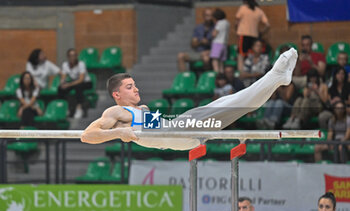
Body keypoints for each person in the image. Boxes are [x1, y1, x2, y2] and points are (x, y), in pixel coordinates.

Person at [81, 48, 298, 150]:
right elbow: (87, 136)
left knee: (232, 103)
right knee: (233, 104)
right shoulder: (116, 112)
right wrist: (119, 132)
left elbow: (161, 130)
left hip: (180, 132)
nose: (136, 89)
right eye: (129, 87)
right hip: (178, 134)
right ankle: (275, 76)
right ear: (116, 95)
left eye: (135, 84)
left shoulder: (143, 109)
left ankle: (276, 79)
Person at [58, 48, 92, 119]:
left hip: (86, 82)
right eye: (71, 55)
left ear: (76, 56)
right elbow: (63, 77)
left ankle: (79, 108)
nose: (72, 57)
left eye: (74, 55)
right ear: (68, 57)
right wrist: (62, 83)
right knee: (60, 88)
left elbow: (81, 79)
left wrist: (68, 85)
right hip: (74, 82)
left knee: (78, 87)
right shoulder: (65, 65)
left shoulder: (81, 64)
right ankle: (65, 108)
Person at [210, 8, 230, 73]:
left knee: (215, 60)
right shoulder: (227, 23)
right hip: (224, 44)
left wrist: (212, 33)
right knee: (221, 62)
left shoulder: (219, 23)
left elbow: (214, 34)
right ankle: (222, 74)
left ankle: (216, 73)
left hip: (217, 43)